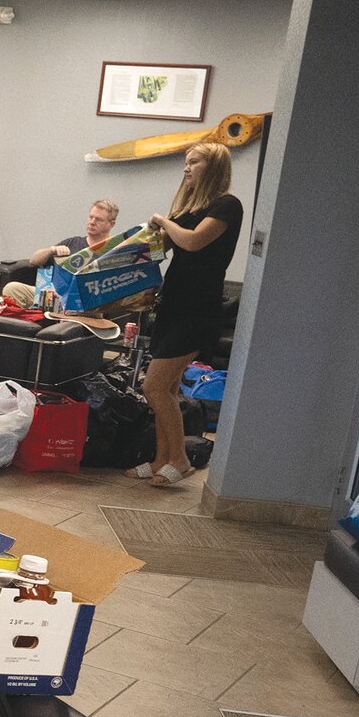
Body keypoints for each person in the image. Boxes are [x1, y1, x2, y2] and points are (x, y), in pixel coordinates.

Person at [135, 142, 241, 488]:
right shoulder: (187, 208)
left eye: (193, 162)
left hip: (198, 310)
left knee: (154, 387)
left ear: (211, 168)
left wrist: (164, 220)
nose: (186, 168)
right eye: (185, 162)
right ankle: (159, 460)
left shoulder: (227, 206)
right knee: (167, 387)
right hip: (173, 303)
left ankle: (179, 459)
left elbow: (193, 242)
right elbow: (164, 248)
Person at [1, 199, 120, 306]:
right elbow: (34, 261)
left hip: (86, 302)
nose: (92, 222)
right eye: (90, 217)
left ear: (111, 224)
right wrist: (51, 250)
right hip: (53, 296)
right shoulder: (72, 242)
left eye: (98, 219)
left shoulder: (115, 251)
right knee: (12, 288)